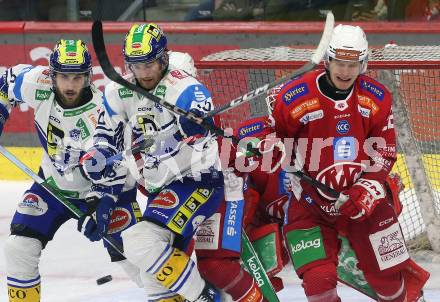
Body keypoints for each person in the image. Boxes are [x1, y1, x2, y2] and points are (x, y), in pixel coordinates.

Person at [270, 24, 428, 302]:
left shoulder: (377, 98)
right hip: (310, 204)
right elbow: (273, 142)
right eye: (339, 63)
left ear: (363, 63)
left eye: (352, 64)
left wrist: (365, 191)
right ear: (327, 61)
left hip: (365, 201)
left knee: (389, 283)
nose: (345, 71)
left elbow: (385, 152)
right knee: (318, 283)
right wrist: (262, 143)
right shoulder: (295, 97)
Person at [80, 23, 224, 302]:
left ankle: (206, 298)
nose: (143, 72)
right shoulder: (118, 91)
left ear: (163, 59)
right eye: (136, 65)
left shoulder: (181, 84)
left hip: (197, 181)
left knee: (138, 242)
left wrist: (192, 123)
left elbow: (201, 107)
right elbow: (104, 135)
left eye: (149, 64)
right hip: (161, 190)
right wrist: (98, 156)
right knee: (153, 277)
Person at [0, 39, 142, 302]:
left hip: (108, 190)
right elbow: (4, 82)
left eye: (77, 77)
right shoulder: (37, 83)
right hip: (53, 186)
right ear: (52, 74)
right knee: (18, 247)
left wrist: (101, 207)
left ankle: (181, 295)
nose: (70, 85)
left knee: (137, 257)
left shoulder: (103, 113)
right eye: (64, 76)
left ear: (88, 77)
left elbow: (118, 169)